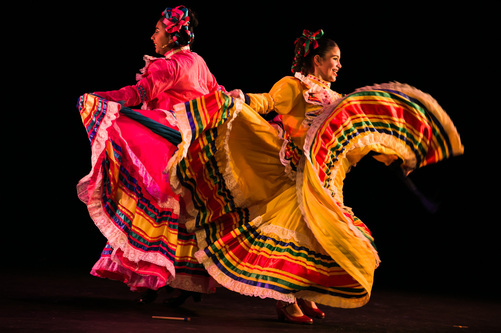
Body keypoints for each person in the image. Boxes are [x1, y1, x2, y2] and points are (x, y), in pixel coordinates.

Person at [164, 29, 464, 324]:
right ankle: (286, 301)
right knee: (298, 236)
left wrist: (396, 155)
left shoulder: (336, 98)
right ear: (317, 61)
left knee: (320, 240)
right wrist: (239, 99)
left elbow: (356, 138)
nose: (339, 64)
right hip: (297, 179)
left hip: (326, 181)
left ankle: (305, 295)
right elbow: (266, 103)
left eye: (339, 59)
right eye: (334, 58)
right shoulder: (294, 86)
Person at [77, 5, 223, 304]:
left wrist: (99, 99)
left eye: (157, 31)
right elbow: (217, 94)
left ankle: (151, 276)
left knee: (154, 205)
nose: (152, 36)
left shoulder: (167, 66)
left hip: (165, 145)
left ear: (170, 36)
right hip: (194, 145)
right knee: (183, 213)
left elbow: (136, 95)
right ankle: (174, 280)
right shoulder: (197, 61)